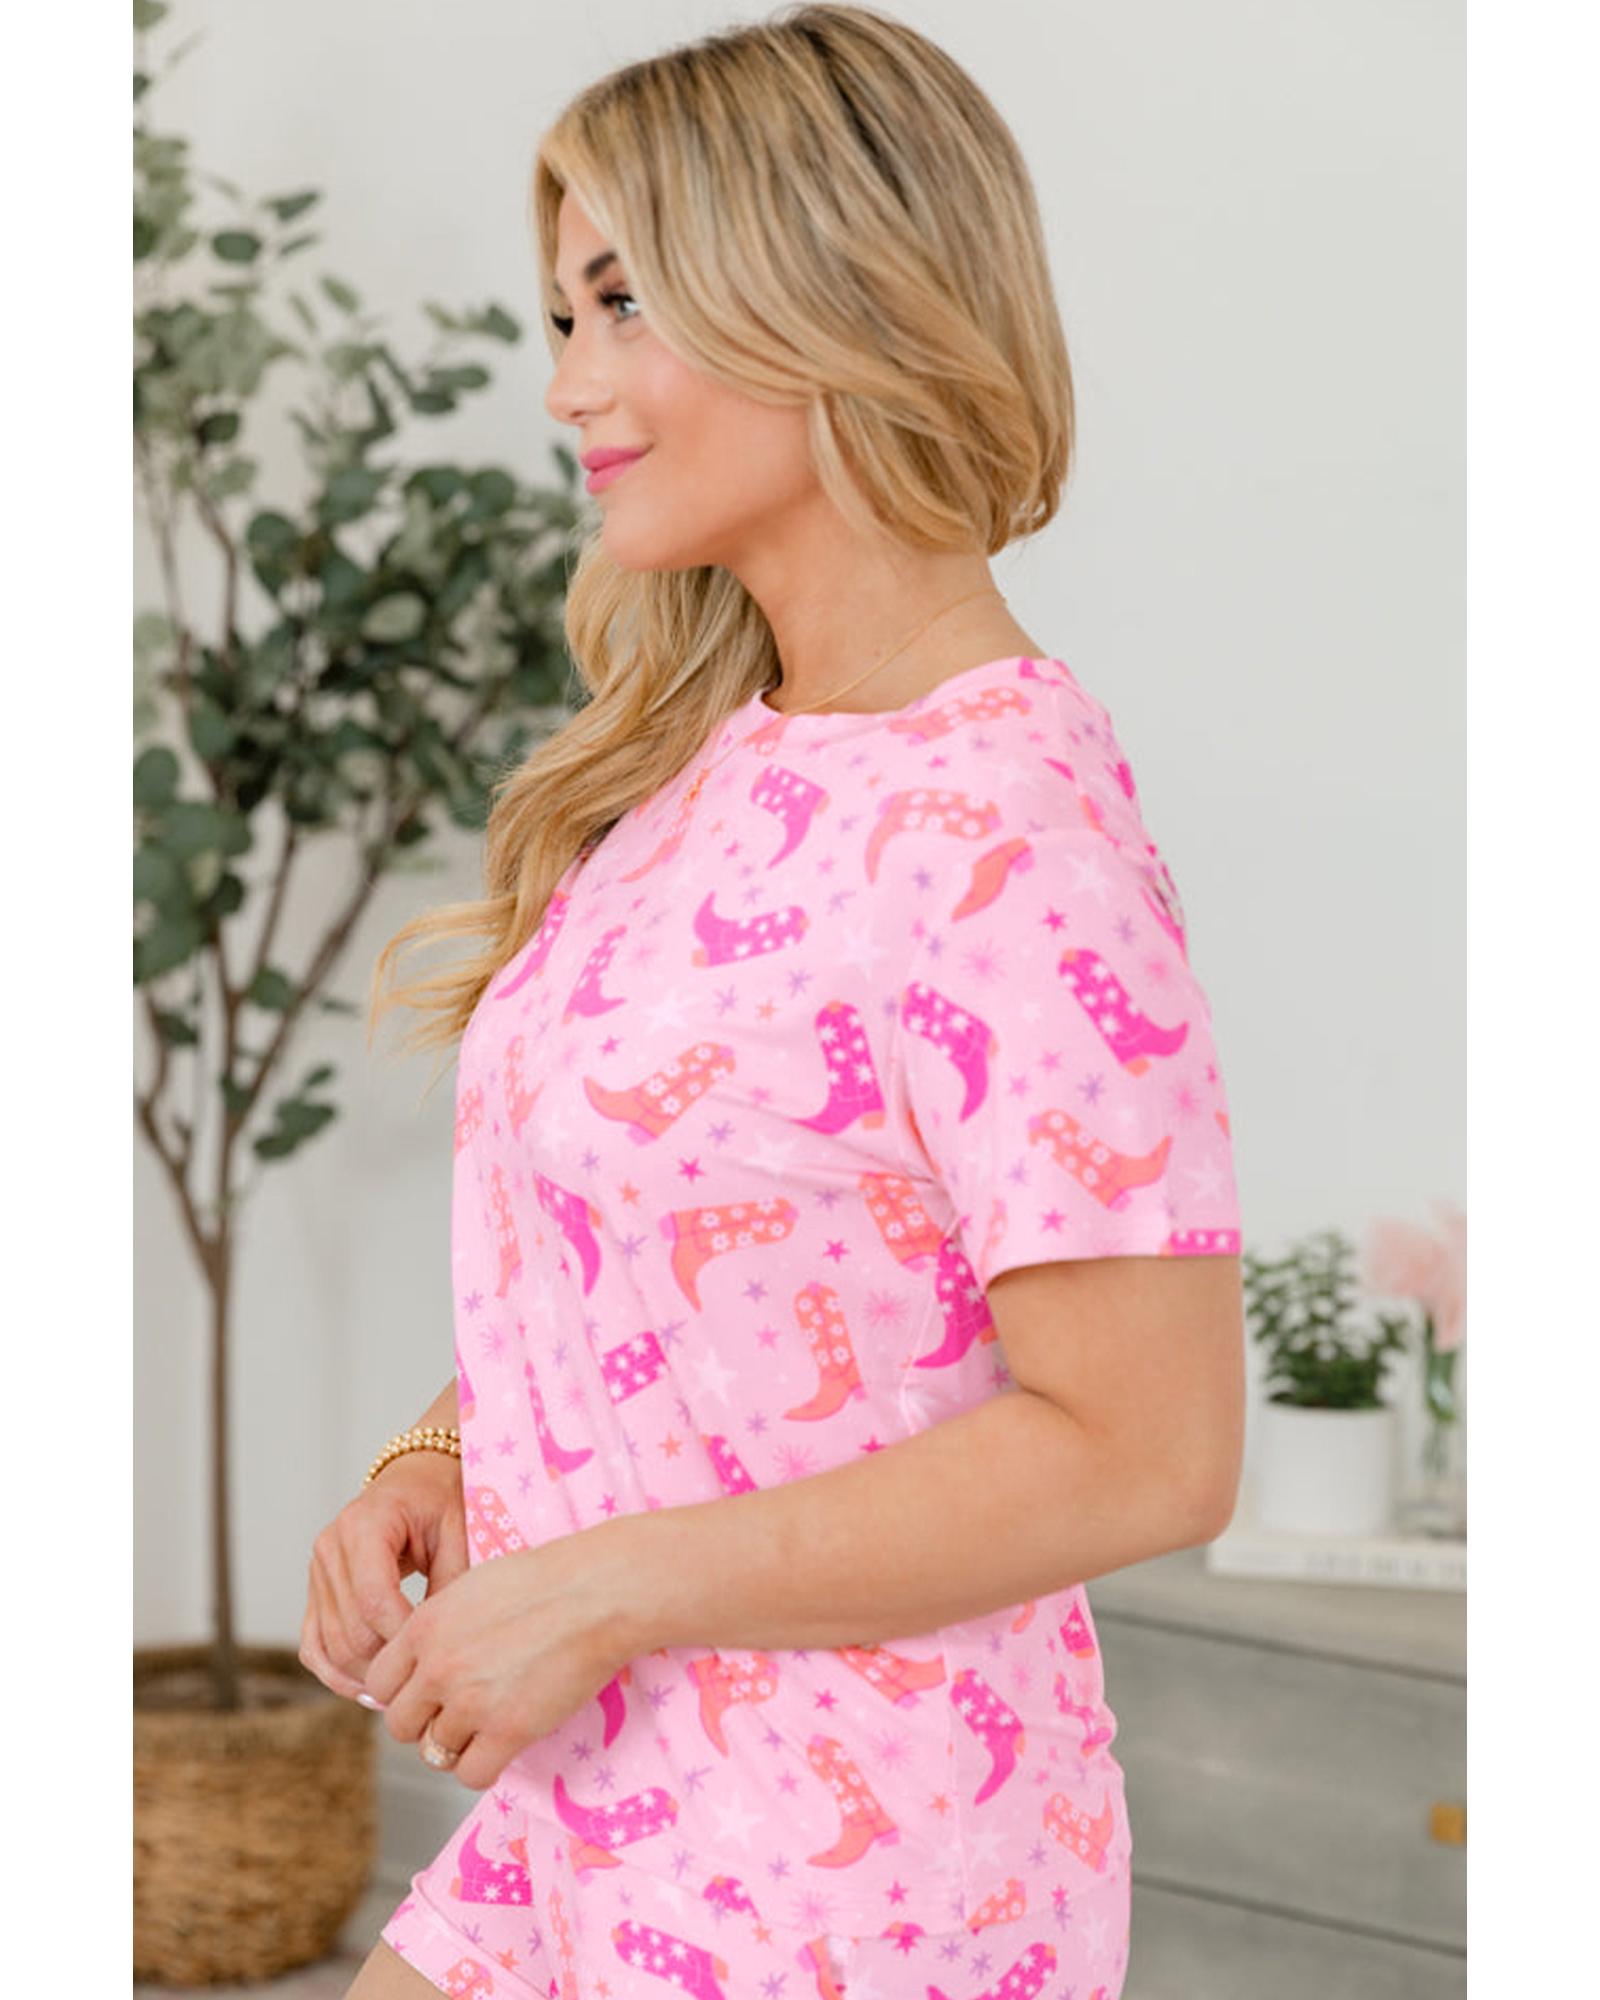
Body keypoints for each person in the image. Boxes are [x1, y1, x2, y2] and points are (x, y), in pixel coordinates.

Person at [301, 6, 1245, 1996]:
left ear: (827, 288)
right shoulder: (704, 766)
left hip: (858, 1875)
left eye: (622, 302)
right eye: (561, 314)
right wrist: (440, 1459)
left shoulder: (1002, 820)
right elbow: (686, 1277)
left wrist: (602, 1589)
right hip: (602, 1796)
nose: (567, 382)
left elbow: (1146, 1447)